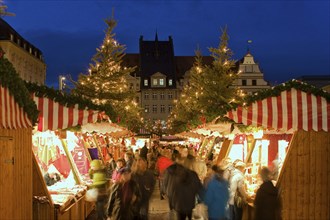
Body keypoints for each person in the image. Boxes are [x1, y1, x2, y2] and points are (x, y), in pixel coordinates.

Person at [163, 151, 203, 220]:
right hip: (190, 203)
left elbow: (167, 186)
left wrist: (170, 198)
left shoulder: (172, 172)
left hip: (177, 203)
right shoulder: (193, 175)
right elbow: (199, 189)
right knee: (189, 216)